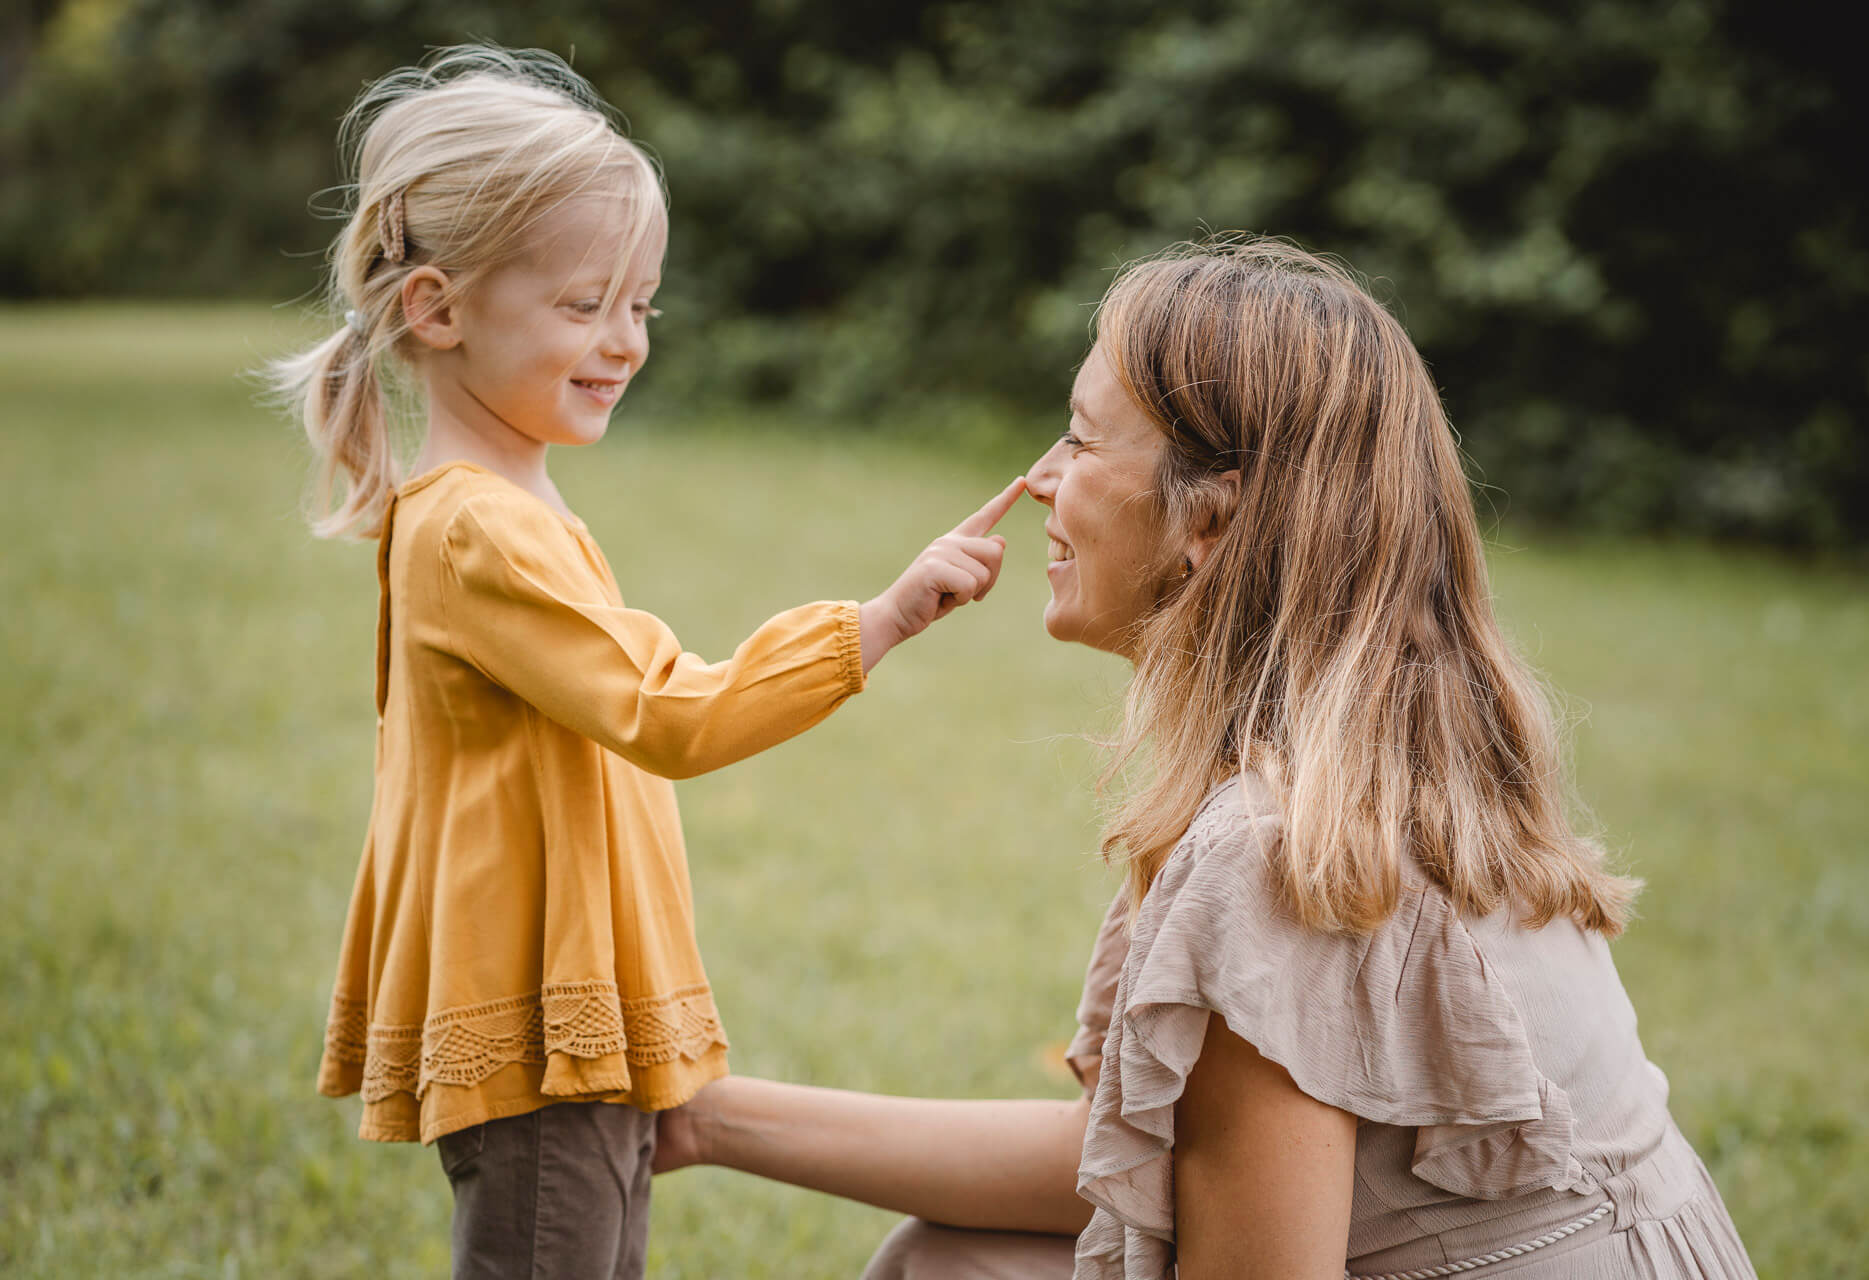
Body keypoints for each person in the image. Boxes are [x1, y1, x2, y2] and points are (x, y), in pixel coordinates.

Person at [651, 238, 1757, 1280]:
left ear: (1212, 522)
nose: (1042, 477)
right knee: (961, 1260)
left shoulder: (1277, 852)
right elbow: (1132, 1160)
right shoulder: (1384, 765)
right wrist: (701, 1117)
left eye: (1081, 439)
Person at [272, 45, 1023, 1279]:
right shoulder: (478, 527)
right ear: (439, 309)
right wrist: (876, 620)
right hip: (537, 1027)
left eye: (641, 305)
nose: (624, 341)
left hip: (582, 1022)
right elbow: (670, 712)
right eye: (583, 306)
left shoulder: (508, 503)